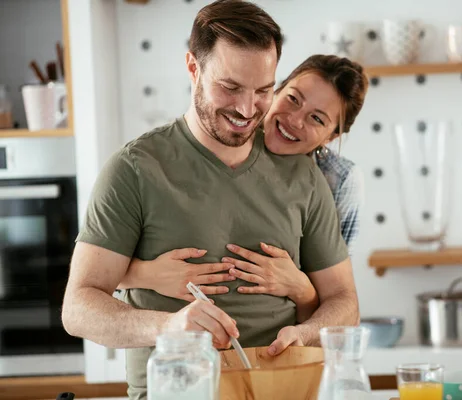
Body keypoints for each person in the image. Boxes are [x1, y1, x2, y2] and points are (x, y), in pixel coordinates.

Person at [61, 1, 360, 399]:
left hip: (280, 388)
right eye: (230, 87)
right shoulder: (134, 169)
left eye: (263, 91)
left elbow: (345, 303)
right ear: (193, 68)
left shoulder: (304, 175)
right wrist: (167, 327)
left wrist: (305, 333)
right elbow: (78, 309)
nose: (245, 108)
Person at [117, 54, 368, 323]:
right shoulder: (214, 136)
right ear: (276, 89)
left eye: (317, 119)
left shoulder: (337, 180)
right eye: (292, 99)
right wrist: (145, 275)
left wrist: (301, 287)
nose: (295, 120)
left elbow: (336, 295)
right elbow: (100, 272)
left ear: (333, 136)